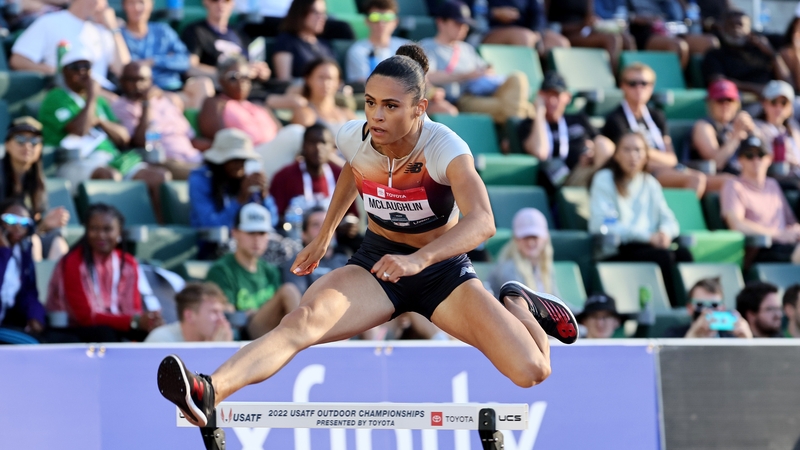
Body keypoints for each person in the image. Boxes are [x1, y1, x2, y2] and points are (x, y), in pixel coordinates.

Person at [156, 43, 578, 428]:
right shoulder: (355, 136)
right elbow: (353, 171)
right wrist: (325, 234)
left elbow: (484, 222)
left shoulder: (445, 148)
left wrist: (420, 260)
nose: (376, 116)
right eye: (370, 103)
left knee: (532, 372)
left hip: (442, 274)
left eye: (391, 106)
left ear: (420, 108)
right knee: (302, 321)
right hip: (378, 265)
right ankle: (207, 390)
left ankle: (517, 303)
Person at [38, 49, 171, 219]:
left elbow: (123, 137)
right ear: (64, 71)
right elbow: (79, 130)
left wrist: (100, 121)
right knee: (109, 176)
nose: (82, 72)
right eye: (75, 67)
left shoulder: (101, 102)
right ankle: (112, 234)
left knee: (159, 177)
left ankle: (157, 235)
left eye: (86, 66)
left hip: (110, 158)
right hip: (73, 161)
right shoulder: (55, 97)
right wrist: (92, 95)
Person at [589, 131, 693, 306]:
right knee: (663, 257)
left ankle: (688, 309)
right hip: (618, 250)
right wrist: (647, 237)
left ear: (646, 156)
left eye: (638, 150)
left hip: (650, 247)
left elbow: (669, 219)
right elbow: (602, 225)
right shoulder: (604, 179)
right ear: (616, 154)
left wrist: (665, 233)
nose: (633, 155)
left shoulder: (650, 182)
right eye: (627, 150)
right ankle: (670, 310)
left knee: (684, 254)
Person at [46, 203, 164, 342]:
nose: (101, 235)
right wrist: (134, 322)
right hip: (73, 329)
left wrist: (147, 322)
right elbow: (85, 317)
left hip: (116, 326)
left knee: (155, 335)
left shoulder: (128, 263)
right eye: (94, 229)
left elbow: (133, 310)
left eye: (107, 229)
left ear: (119, 232)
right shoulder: (74, 262)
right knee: (106, 334)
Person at [602, 63, 707, 197]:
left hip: (667, 169)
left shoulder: (656, 116)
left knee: (726, 181)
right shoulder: (616, 119)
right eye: (632, 83)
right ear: (622, 86)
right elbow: (629, 157)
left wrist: (649, 153)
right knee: (695, 179)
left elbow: (672, 158)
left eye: (644, 83)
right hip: (643, 172)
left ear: (651, 87)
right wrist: (658, 158)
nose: (639, 88)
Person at [421, 0, 532, 124]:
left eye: (465, 24)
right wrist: (467, 75)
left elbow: (484, 70)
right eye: (458, 23)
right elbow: (429, 76)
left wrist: (486, 72)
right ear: (441, 22)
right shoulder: (428, 46)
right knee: (527, 109)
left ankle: (513, 136)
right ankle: (515, 136)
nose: (463, 28)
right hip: (463, 99)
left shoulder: (466, 48)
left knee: (518, 78)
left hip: (484, 93)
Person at [205, 203, 302, 339]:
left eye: (262, 233)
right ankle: (308, 344)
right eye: (251, 232)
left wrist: (255, 312)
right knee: (288, 290)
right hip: (244, 334)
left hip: (272, 333)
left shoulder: (270, 270)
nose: (257, 239)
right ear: (235, 233)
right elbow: (227, 314)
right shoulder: (221, 270)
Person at [112, 62, 209, 180]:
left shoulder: (165, 102)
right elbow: (140, 142)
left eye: (142, 80)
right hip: (162, 161)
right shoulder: (120, 106)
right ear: (121, 81)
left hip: (192, 158)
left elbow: (191, 138)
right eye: (131, 80)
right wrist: (146, 104)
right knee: (205, 176)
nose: (137, 85)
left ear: (151, 81)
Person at [9, 0, 131, 92]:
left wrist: (114, 29)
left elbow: (124, 71)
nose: (105, 4)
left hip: (106, 93)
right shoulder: (49, 22)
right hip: (72, 93)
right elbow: (18, 60)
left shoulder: (103, 29)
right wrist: (56, 71)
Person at [521, 71, 613, 190]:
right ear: (540, 95)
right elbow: (540, 152)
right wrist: (539, 112)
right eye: (548, 95)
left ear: (567, 97)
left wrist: (592, 154)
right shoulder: (529, 124)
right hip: (555, 184)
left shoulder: (579, 119)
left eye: (557, 95)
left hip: (584, 173)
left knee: (603, 145)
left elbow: (605, 148)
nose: (552, 101)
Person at [720, 136, 800, 264]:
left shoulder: (772, 184)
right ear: (740, 160)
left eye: (761, 155)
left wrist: (795, 231)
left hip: (786, 246)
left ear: (769, 159)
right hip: (761, 249)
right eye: (749, 155)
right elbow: (736, 224)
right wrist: (778, 235)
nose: (756, 160)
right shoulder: (734, 185)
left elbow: (790, 221)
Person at [120, 0, 213, 110]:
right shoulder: (120, 36)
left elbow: (185, 60)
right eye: (131, 3)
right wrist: (168, 58)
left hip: (177, 86)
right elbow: (129, 69)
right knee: (175, 101)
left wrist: (154, 61)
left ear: (151, 5)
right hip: (149, 93)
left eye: (141, 2)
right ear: (124, 6)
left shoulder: (163, 30)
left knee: (204, 84)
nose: (137, 8)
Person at [2, 117, 69, 261]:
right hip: (4, 238)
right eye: (20, 139)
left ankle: (56, 284)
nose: (27, 146)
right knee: (34, 243)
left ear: (40, 148)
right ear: (7, 145)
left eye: (34, 141)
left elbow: (35, 225)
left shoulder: (38, 180)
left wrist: (46, 224)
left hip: (25, 236)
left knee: (58, 243)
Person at [188, 128, 278, 231]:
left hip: (250, 243)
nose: (239, 165)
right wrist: (240, 199)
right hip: (211, 245)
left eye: (243, 160)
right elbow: (211, 226)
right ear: (219, 161)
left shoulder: (249, 180)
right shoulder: (200, 179)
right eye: (234, 159)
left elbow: (272, 222)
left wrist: (264, 196)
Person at [269, 124, 357, 221]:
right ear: (303, 145)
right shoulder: (284, 176)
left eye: (323, 142)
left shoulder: (342, 176)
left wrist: (348, 224)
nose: (318, 148)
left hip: (334, 235)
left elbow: (352, 215)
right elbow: (275, 217)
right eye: (312, 142)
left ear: (332, 147)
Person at [198, 56, 282, 148]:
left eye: (246, 76)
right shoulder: (215, 103)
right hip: (248, 155)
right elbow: (218, 141)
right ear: (221, 81)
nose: (241, 81)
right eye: (234, 77)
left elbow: (282, 134)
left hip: (276, 151)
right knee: (295, 132)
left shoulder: (259, 106)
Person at [702, 9, 790, 96]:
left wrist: (772, 53)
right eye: (731, 25)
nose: (736, 28)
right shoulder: (715, 54)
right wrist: (756, 89)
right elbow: (719, 84)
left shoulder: (762, 48)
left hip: (776, 99)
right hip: (740, 99)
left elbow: (788, 83)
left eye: (740, 24)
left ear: (749, 29)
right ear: (722, 28)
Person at [179, 0, 270, 82]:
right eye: (215, 0)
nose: (221, 4)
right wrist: (231, 74)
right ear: (205, 2)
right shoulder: (195, 31)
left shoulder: (240, 34)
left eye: (226, 0)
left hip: (249, 89)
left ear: (232, 3)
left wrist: (261, 72)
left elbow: (251, 65)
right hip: (219, 90)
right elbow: (191, 69)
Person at [689, 79, 757, 183]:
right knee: (734, 182)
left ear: (737, 104)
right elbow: (715, 164)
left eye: (730, 100)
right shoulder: (703, 126)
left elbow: (765, 158)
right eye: (720, 100)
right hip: (716, 180)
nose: (725, 105)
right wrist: (736, 136)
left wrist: (754, 133)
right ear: (710, 104)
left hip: (740, 178)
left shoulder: (737, 125)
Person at [0, 200, 46, 344]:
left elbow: (29, 291)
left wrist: (35, 317)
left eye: (25, 222)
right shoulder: (6, 252)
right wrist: (4, 252)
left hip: (9, 321)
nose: (18, 227)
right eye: (10, 220)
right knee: (31, 344)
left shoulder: (23, 252)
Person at [546, 0, 635, 73]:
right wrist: (580, 26)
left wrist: (593, 22)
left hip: (584, 31)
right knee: (612, 39)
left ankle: (632, 76)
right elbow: (545, 21)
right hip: (562, 34)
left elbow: (589, 17)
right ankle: (613, 80)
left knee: (627, 39)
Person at [488, 207, 558, 297]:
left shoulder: (545, 267)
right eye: (525, 237)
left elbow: (556, 300)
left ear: (545, 239)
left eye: (535, 237)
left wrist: (579, 311)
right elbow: (519, 305)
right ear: (516, 240)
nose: (531, 242)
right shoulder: (508, 268)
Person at [281, 206, 349, 295]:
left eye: (327, 225)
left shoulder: (346, 262)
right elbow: (297, 301)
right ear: (303, 234)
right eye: (315, 225)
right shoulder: (297, 263)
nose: (323, 230)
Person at [345, 0, 409, 85]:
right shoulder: (357, 51)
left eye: (387, 17)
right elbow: (365, 84)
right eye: (375, 17)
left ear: (395, 22)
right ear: (367, 21)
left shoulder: (407, 47)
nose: (381, 23)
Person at [145, 282, 232, 343]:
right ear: (189, 316)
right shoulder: (161, 341)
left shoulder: (219, 341)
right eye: (214, 312)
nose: (221, 319)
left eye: (221, 312)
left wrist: (225, 349)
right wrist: (215, 351)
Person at [666, 277, 752, 338]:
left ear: (723, 308)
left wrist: (747, 342)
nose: (706, 310)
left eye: (714, 305)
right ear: (689, 308)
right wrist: (692, 337)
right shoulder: (674, 335)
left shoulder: (731, 338)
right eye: (700, 304)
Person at [271, 0, 335, 81]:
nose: (321, 17)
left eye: (323, 13)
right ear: (300, 13)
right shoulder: (286, 41)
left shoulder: (324, 44)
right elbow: (284, 80)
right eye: (315, 12)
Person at [290, 58, 356, 136]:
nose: (326, 83)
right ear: (308, 79)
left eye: (330, 78)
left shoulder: (347, 114)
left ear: (338, 83)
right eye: (321, 77)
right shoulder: (303, 114)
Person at [482, 0, 570, 57]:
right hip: (487, 30)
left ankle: (553, 83)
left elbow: (538, 14)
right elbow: (471, 9)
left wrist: (537, 31)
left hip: (526, 30)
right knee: (524, 37)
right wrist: (493, 13)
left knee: (559, 43)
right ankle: (525, 82)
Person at [754, 80, 800, 185]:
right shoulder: (756, 128)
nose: (778, 108)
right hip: (776, 178)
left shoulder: (793, 128)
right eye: (774, 102)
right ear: (764, 103)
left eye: (784, 103)